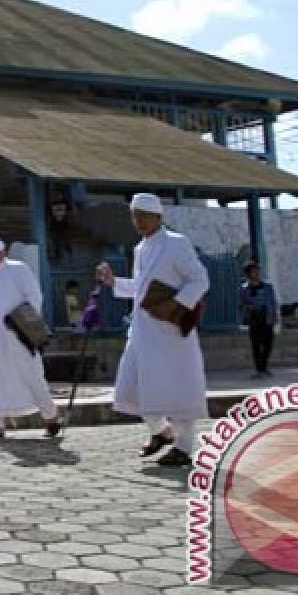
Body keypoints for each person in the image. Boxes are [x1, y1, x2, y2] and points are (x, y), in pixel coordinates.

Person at [96, 193, 209, 468]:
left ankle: (184, 447)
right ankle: (161, 432)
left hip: (169, 331)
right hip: (142, 330)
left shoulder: (176, 243)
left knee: (176, 387)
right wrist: (114, 283)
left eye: (144, 216)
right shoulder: (140, 248)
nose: (139, 221)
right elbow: (142, 288)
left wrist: (176, 307)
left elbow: (200, 279)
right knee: (128, 386)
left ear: (158, 217)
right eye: (135, 216)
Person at [0, 235, 62, 439]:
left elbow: (34, 298)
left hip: (20, 335)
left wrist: (19, 320)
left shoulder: (18, 269)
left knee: (31, 376)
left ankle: (51, 417)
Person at [239, 261, 278, 378]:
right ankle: (259, 369)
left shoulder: (268, 287)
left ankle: (264, 367)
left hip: (267, 318)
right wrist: (249, 307)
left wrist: (275, 317)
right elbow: (241, 304)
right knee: (256, 345)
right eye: (253, 271)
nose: (256, 273)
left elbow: (273, 302)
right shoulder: (244, 288)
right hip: (254, 319)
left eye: (257, 271)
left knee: (268, 345)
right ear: (248, 274)